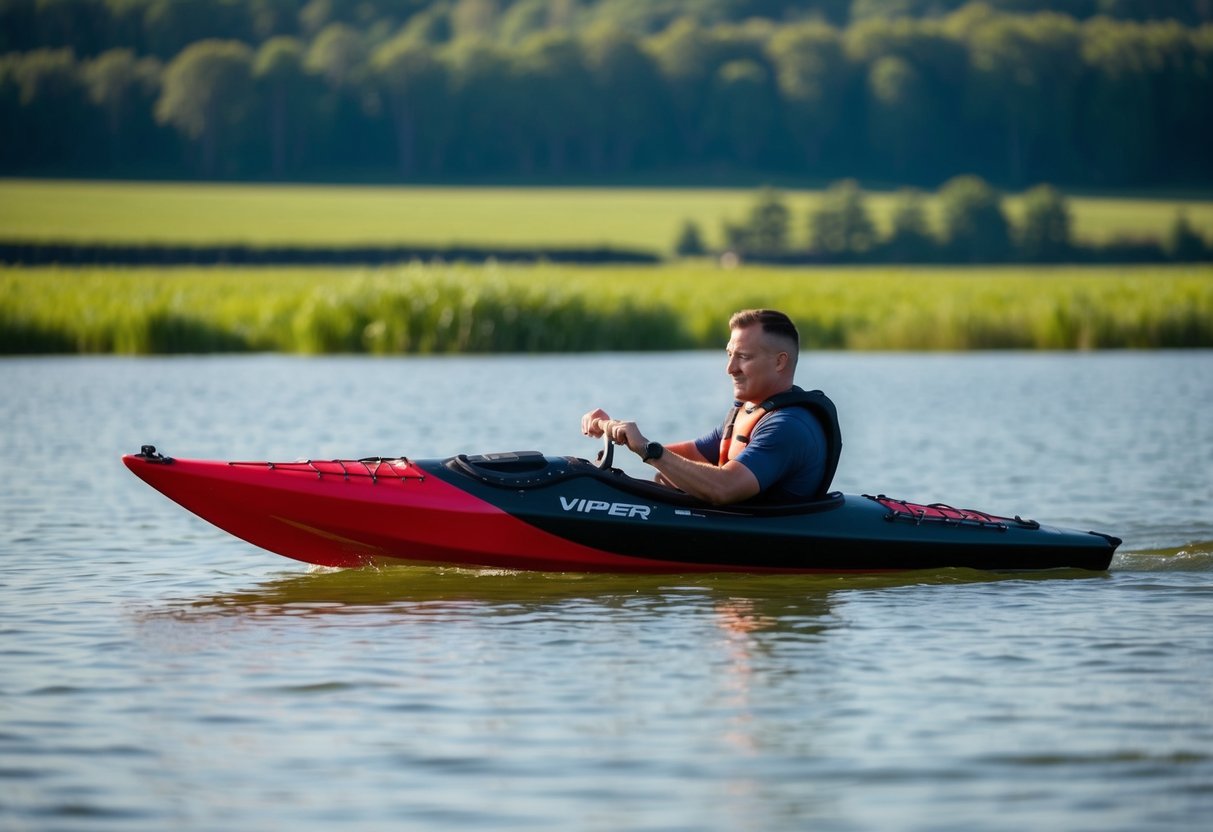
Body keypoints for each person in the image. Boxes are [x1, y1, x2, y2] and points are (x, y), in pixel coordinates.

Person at [581, 309, 842, 506]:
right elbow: (683, 458)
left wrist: (649, 450)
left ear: (779, 362)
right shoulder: (749, 413)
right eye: (730, 355)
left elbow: (724, 488)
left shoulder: (788, 427)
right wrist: (616, 432)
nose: (730, 369)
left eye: (744, 357)